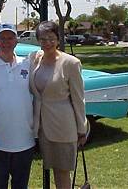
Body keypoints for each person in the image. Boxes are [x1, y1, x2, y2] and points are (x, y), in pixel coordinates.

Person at [29, 21, 87, 189]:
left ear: (58, 39)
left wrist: (81, 128)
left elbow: (78, 98)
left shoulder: (71, 63)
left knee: (62, 174)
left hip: (63, 127)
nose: (47, 43)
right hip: (42, 128)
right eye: (43, 39)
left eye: (51, 38)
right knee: (52, 170)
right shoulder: (35, 59)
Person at [0, 23, 35, 189]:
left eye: (10, 38)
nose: (6, 42)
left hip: (25, 141)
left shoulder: (27, 64)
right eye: (2, 38)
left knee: (20, 186)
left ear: (16, 41)